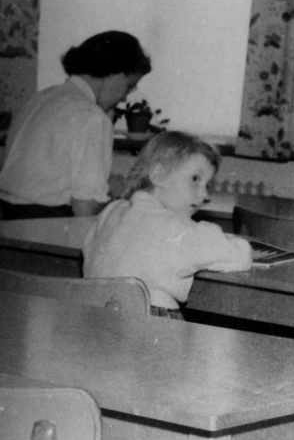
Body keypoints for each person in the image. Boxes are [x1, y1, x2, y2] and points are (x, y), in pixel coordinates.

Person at [83, 131, 253, 317]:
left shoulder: (111, 211)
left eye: (207, 185)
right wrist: (234, 241)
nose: (204, 195)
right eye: (195, 179)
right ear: (158, 175)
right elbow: (241, 256)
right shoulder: (174, 227)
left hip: (94, 319)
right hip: (149, 326)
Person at [0, 30, 152, 219]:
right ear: (116, 73)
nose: (125, 98)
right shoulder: (91, 117)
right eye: (128, 86)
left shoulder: (39, 99)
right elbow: (85, 210)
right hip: (46, 223)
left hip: (4, 218)